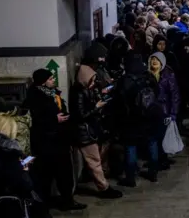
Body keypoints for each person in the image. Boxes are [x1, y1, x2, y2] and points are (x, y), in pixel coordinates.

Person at [24, 69, 86, 211]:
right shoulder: (34, 97)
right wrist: (54, 119)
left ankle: (67, 200)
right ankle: (44, 205)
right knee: (45, 175)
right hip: (46, 143)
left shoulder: (53, 93)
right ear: (43, 81)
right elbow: (34, 119)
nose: (53, 81)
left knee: (64, 173)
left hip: (60, 140)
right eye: (51, 79)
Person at [69, 65, 123, 199]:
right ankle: (104, 188)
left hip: (90, 131)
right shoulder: (78, 93)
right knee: (94, 161)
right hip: (84, 133)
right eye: (91, 80)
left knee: (96, 160)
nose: (93, 83)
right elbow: (81, 114)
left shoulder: (86, 89)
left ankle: (102, 184)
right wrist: (96, 107)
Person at [115, 53, 162, 186]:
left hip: (132, 120)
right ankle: (153, 173)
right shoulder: (148, 76)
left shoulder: (125, 80)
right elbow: (157, 93)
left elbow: (119, 100)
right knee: (152, 143)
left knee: (131, 146)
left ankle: (131, 178)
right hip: (150, 117)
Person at [149, 51, 180, 168]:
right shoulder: (147, 74)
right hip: (151, 111)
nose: (154, 62)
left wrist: (173, 112)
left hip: (164, 111)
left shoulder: (168, 75)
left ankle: (162, 160)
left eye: (157, 60)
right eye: (152, 59)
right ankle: (156, 161)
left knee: (162, 136)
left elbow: (175, 95)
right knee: (154, 137)